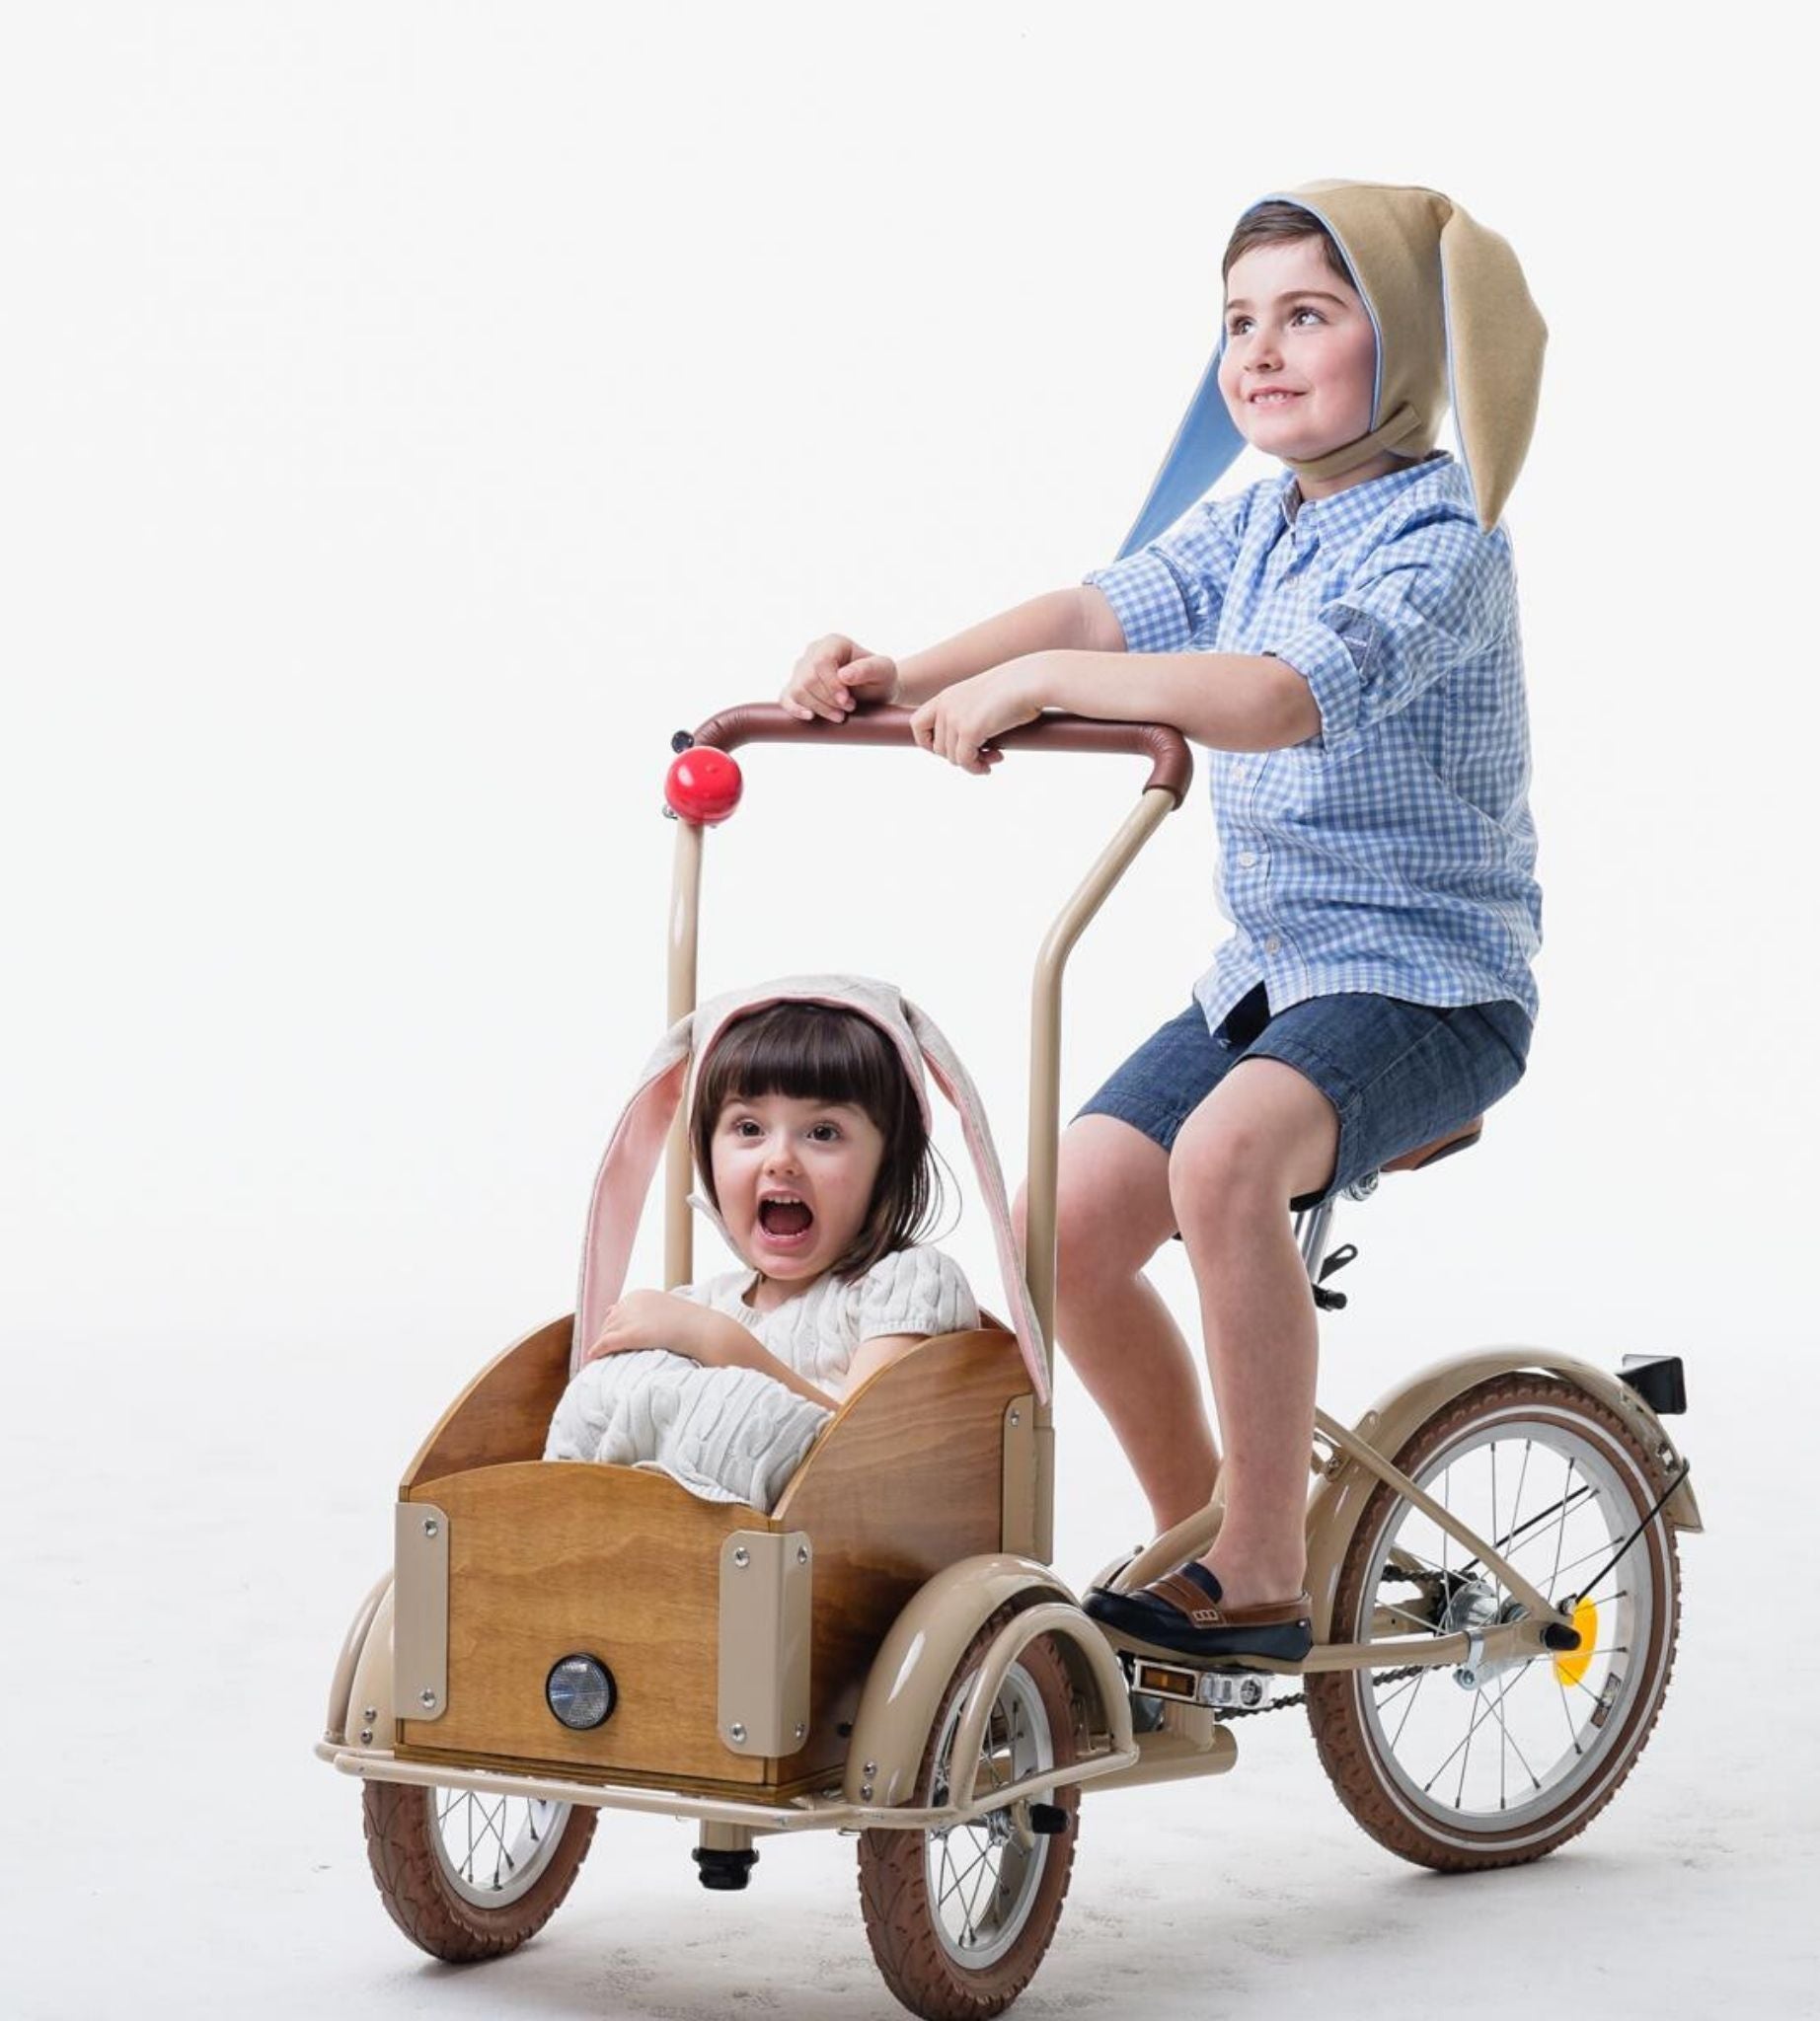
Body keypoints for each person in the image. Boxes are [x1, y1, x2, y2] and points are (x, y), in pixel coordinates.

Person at [778, 181, 1545, 1662]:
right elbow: (1091, 613)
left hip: (1434, 984)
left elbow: (1271, 698)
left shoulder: (1444, 545)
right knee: (1052, 1232)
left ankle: (1266, 1560)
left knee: (1223, 1161)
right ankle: (1210, 1518)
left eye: (1309, 317)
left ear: (1407, 347)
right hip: (1269, 982)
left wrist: (1060, 700)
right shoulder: (1255, 524)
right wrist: (904, 675)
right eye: (1239, 323)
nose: (1260, 351)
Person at [544, 996, 978, 1511]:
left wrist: (717, 1342)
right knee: (612, 1382)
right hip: (639, 1549)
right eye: (749, 1129)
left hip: (821, 1547)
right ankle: (570, 1527)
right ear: (706, 1153)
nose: (781, 1160)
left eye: (823, 1132)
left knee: (732, 1409)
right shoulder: (702, 1303)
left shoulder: (905, 1283)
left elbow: (865, 1458)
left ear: (887, 1164)